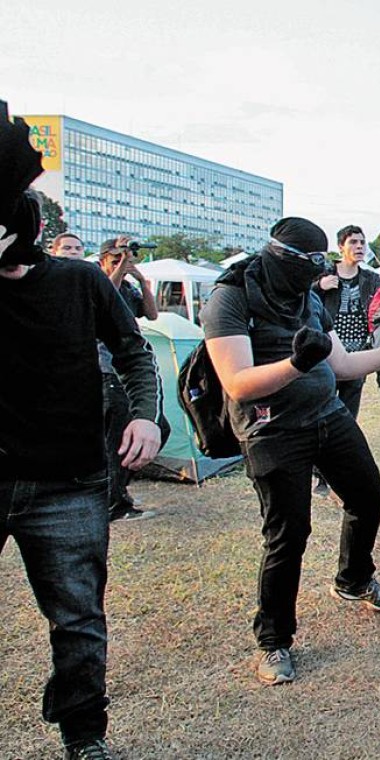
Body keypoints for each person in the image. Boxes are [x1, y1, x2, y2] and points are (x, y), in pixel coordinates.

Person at [1, 112, 162, 760]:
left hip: (67, 481)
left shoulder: (79, 281)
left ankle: (83, 736)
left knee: (78, 624)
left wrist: (148, 415)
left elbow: (135, 350)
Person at [200, 217, 380, 687]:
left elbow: (340, 364)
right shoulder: (230, 298)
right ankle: (273, 639)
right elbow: (238, 384)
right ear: (283, 259)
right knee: (289, 534)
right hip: (271, 429)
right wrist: (298, 362)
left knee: (368, 497)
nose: (318, 271)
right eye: (311, 262)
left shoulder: (306, 297)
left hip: (326, 414)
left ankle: (353, 579)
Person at [312, 225, 380, 496]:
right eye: (353, 242)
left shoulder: (370, 279)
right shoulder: (323, 274)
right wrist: (318, 285)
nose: (359, 246)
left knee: (346, 417)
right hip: (328, 354)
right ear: (341, 246)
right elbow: (300, 296)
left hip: (358, 357)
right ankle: (319, 474)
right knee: (321, 412)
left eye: (363, 242)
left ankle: (334, 473)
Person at [98, 237, 160, 522]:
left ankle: (117, 489)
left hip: (126, 374)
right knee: (115, 441)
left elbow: (152, 314)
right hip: (107, 370)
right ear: (103, 262)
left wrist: (143, 281)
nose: (122, 264)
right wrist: (120, 267)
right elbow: (103, 298)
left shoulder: (129, 288)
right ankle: (114, 502)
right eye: (114, 260)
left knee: (159, 429)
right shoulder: (95, 281)